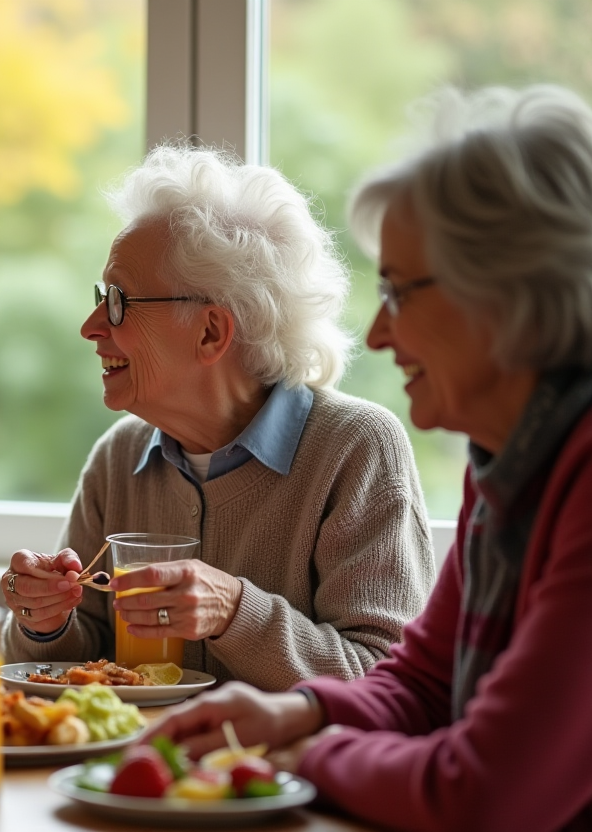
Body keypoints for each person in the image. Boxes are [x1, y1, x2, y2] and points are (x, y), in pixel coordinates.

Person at [143, 85, 592, 832]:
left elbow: (480, 794)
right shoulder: (512, 462)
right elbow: (422, 684)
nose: (378, 335)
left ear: (504, 291)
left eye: (399, 292)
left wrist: (299, 758)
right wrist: (291, 714)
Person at [0, 144, 436, 691]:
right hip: (129, 773)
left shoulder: (356, 448)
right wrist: (46, 623)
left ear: (210, 331)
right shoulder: (119, 456)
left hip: (282, 776)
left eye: (118, 301)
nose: (91, 326)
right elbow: (81, 655)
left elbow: (389, 683)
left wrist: (234, 612)